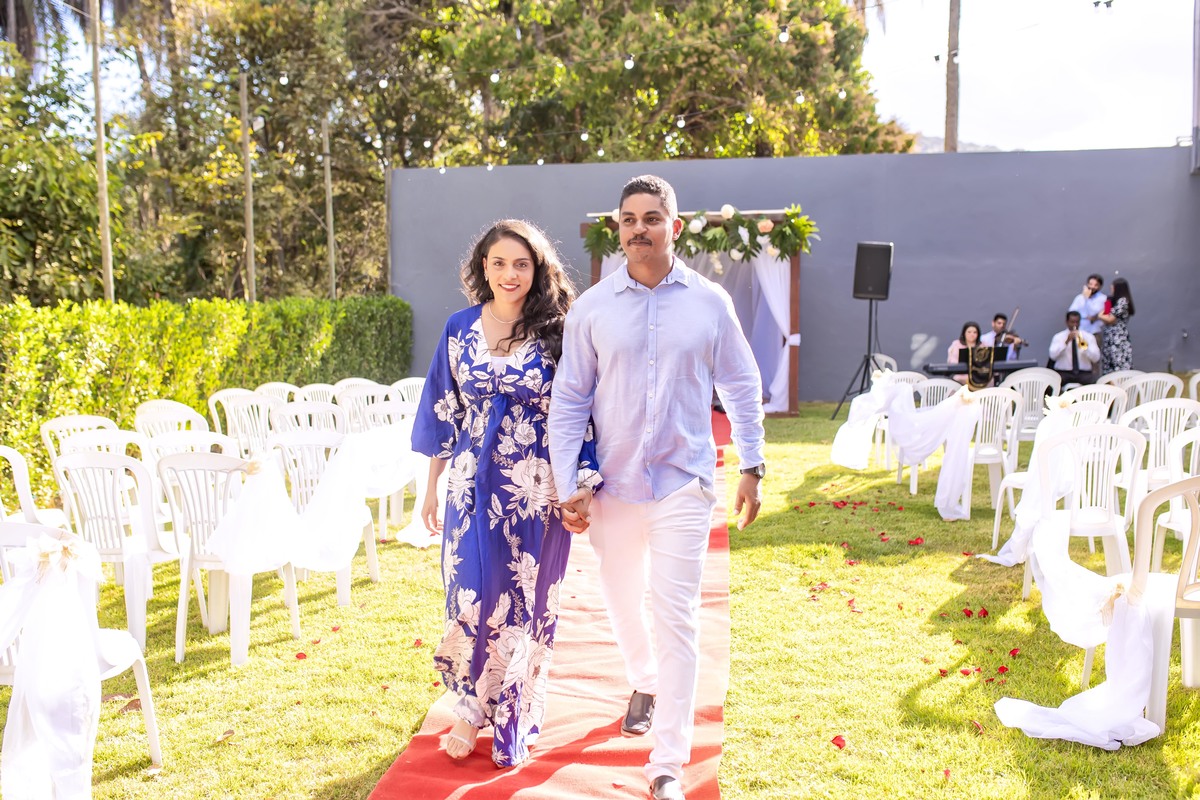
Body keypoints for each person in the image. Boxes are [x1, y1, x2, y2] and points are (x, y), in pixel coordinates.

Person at [548, 175, 765, 800]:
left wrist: (752, 464)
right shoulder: (592, 308)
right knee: (621, 602)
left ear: (676, 225)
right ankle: (643, 680)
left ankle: (668, 763)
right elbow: (570, 400)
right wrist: (568, 483)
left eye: (651, 217)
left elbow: (741, 384)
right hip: (612, 487)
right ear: (617, 228)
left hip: (683, 483)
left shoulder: (710, 303)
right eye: (628, 219)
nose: (638, 228)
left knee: (677, 619)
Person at [412, 219, 603, 768]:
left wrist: (581, 486)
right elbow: (443, 411)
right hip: (468, 486)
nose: (510, 274)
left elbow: (581, 412)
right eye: (499, 263)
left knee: (523, 598)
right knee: (470, 593)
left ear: (538, 269)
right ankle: (472, 706)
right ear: (484, 267)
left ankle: (509, 713)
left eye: (521, 264)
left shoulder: (558, 331)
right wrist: (431, 490)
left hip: (533, 488)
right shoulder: (458, 328)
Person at [1048, 310, 1099, 385]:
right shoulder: (1058, 337)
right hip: (1064, 373)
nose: (1075, 324)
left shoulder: (1088, 337)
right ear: (1067, 322)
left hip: (1083, 373)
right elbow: (1053, 356)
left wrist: (1085, 347)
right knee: (1053, 383)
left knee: (1095, 382)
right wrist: (1066, 342)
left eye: (1077, 322)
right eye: (1072, 322)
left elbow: (1096, 358)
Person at [1099, 277, 1135, 374]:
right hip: (1109, 337)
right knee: (1108, 363)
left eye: (1113, 287)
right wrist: (1107, 303)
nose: (1111, 289)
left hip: (1118, 337)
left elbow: (1110, 318)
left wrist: (1100, 315)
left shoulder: (1123, 301)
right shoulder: (1112, 301)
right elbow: (1106, 318)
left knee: (1119, 362)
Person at [1068, 274, 1107, 353]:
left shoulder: (1104, 299)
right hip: (1080, 332)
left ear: (1100, 286)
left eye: (1096, 285)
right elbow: (1071, 312)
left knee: (1094, 356)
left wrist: (1087, 299)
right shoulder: (1079, 298)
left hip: (1094, 332)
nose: (1092, 287)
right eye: (1090, 284)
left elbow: (1094, 312)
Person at [946, 321, 982, 386]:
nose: (972, 334)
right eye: (969, 332)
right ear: (964, 333)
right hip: (959, 376)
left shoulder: (983, 346)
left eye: (975, 332)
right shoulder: (956, 344)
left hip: (978, 377)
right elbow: (952, 361)